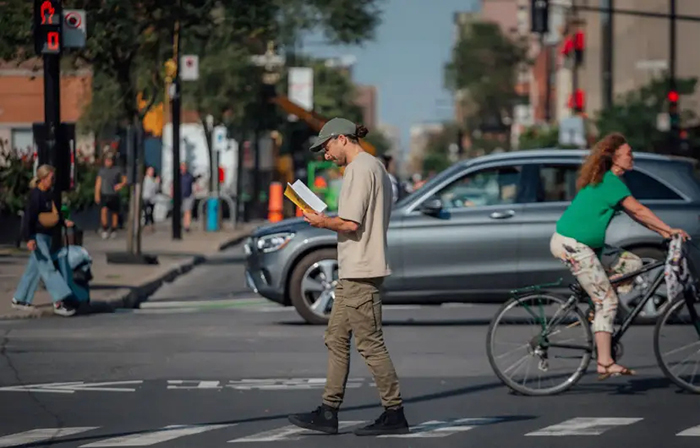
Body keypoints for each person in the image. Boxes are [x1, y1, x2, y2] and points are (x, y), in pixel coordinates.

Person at [287, 118, 409, 436]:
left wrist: (321, 222)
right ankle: (328, 411)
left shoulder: (358, 169)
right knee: (336, 338)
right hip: (355, 269)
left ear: (342, 139)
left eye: (327, 147)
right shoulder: (375, 166)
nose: (326, 155)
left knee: (370, 344)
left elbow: (350, 223)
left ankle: (394, 412)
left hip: (361, 270)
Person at [550, 132, 690, 380]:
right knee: (608, 301)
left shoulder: (608, 180)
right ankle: (604, 362)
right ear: (615, 158)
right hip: (573, 245)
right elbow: (638, 209)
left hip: (589, 247)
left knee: (631, 263)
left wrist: (664, 232)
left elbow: (637, 216)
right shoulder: (610, 181)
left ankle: (596, 309)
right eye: (628, 154)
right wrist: (669, 229)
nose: (631, 157)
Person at [12, 165, 77, 317]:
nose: (53, 181)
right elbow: (29, 218)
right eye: (51, 178)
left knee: (33, 271)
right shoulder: (36, 195)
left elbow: (53, 213)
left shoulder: (48, 194)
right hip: (38, 237)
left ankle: (19, 299)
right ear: (42, 178)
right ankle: (59, 301)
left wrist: (63, 222)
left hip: (46, 236)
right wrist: (28, 238)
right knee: (48, 269)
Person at [95, 152, 127, 239]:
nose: (108, 162)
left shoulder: (117, 170)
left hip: (114, 194)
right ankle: (105, 228)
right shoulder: (102, 171)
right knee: (104, 210)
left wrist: (120, 185)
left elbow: (125, 179)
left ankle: (113, 229)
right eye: (107, 160)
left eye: (110, 160)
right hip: (104, 193)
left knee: (114, 213)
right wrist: (97, 194)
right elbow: (98, 182)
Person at [142, 166, 160, 232]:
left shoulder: (154, 180)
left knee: (151, 212)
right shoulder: (145, 179)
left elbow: (156, 189)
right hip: (146, 197)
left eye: (152, 171)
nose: (151, 172)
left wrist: (157, 182)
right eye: (150, 170)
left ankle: (151, 225)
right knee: (147, 211)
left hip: (152, 198)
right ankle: (146, 224)